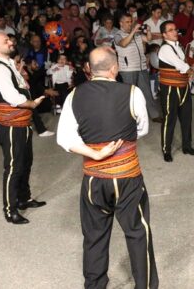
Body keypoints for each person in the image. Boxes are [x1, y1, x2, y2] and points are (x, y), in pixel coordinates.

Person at [56, 47, 158, 289]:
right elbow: (142, 129)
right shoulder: (132, 92)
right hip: (127, 177)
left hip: (94, 178)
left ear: (89, 69)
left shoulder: (74, 95)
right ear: (115, 67)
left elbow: (64, 139)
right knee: (136, 232)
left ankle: (95, 285)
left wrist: (96, 153)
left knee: (94, 236)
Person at [0, 33, 46, 224]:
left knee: (26, 162)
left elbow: (2, 90)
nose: (11, 42)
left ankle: (24, 199)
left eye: (10, 40)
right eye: (6, 41)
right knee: (14, 167)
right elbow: (14, 98)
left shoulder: (8, 63)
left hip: (21, 122)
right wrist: (32, 104)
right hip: (10, 124)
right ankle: (10, 210)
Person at [157, 21, 194, 162]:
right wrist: (189, 69)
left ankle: (187, 146)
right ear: (164, 35)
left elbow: (184, 62)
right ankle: (166, 150)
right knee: (170, 119)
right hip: (170, 88)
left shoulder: (178, 46)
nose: (175, 32)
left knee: (187, 117)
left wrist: (189, 70)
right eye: (170, 30)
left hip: (183, 86)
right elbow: (179, 63)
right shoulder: (165, 49)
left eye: (175, 29)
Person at [114, 14, 162, 122]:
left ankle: (154, 115)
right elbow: (123, 44)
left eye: (131, 21)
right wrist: (133, 32)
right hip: (128, 69)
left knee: (147, 92)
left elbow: (148, 39)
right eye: (127, 22)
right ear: (121, 23)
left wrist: (148, 31)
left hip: (141, 67)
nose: (130, 24)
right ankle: (129, 119)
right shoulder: (118, 34)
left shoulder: (136, 34)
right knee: (130, 95)